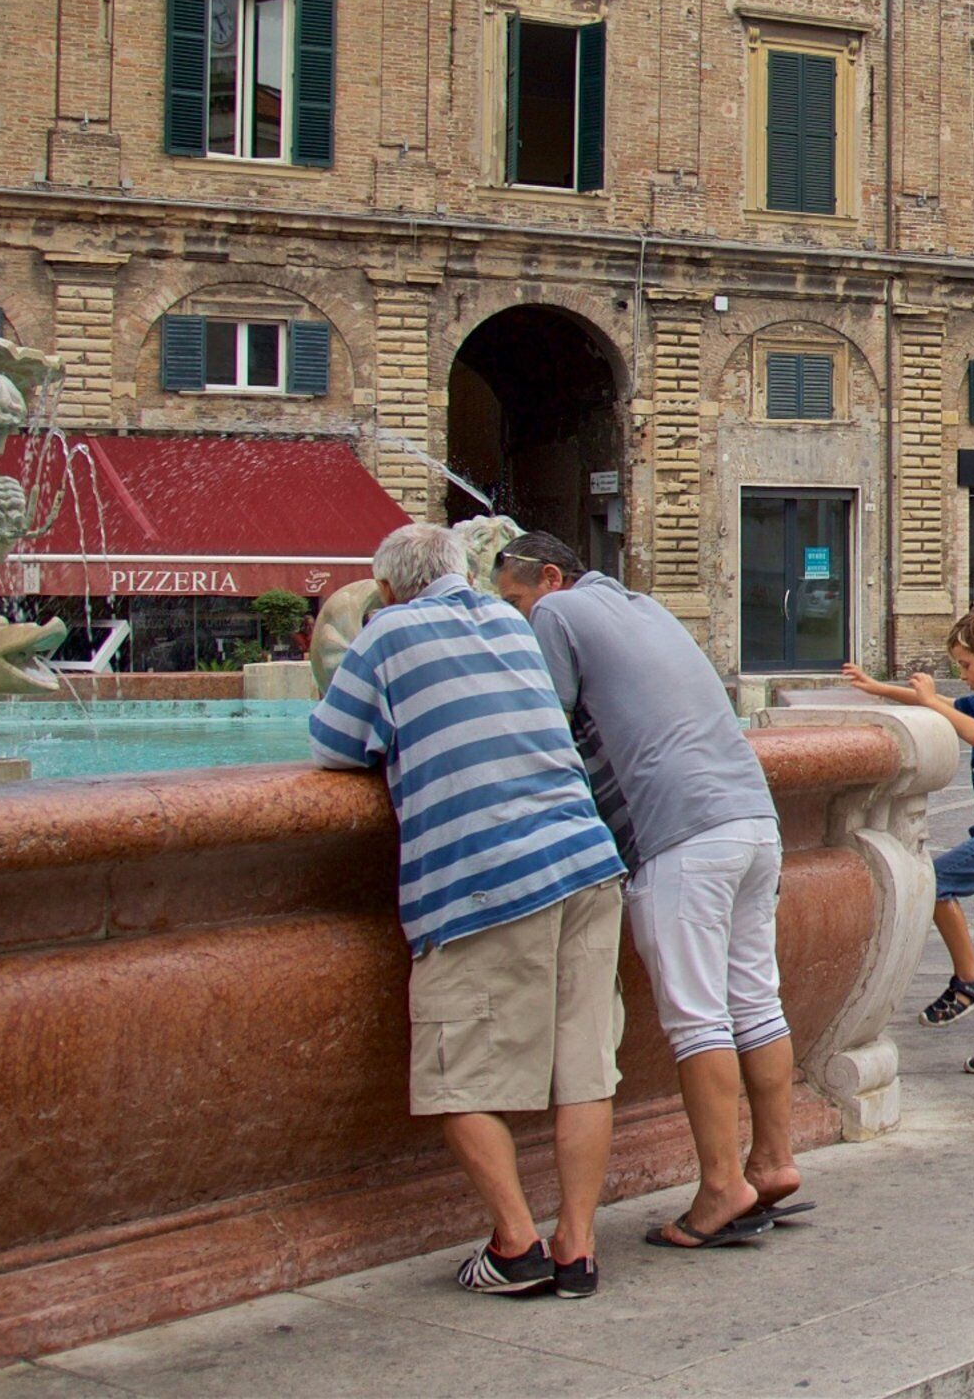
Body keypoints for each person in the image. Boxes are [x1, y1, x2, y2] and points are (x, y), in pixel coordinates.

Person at [310, 522, 628, 1297]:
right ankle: (577, 1249)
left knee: (460, 1074)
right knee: (586, 1065)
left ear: (387, 590)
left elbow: (333, 744)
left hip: (484, 881)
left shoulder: (384, 637)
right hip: (585, 864)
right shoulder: (514, 627)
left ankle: (516, 1246)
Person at [493, 533, 793, 1251]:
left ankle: (722, 1187)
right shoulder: (643, 607)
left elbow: (545, 723)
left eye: (513, 601)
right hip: (754, 820)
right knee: (756, 998)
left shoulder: (556, 616)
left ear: (550, 579)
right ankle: (776, 1161)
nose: (513, 618)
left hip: (680, 835)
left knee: (697, 1020)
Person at [845, 605, 974, 1075]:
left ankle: (969, 980)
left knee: (933, 881)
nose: (964, 675)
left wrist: (933, 700)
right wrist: (877, 688)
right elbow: (940, 708)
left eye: (966, 666)